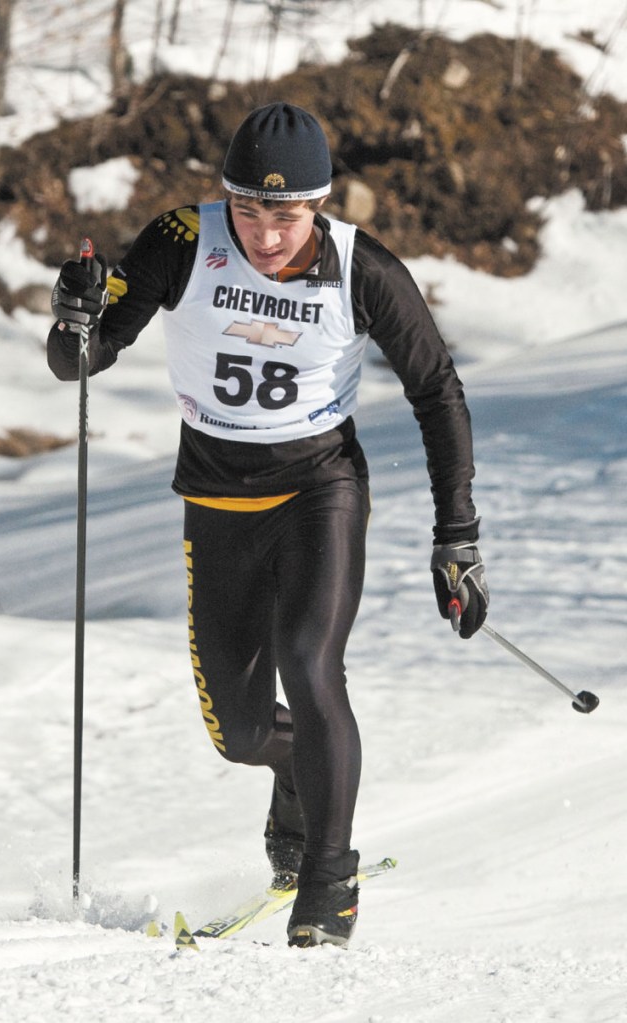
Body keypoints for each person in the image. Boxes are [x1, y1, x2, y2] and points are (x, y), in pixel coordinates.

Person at [47, 102, 489, 948]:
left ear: (317, 204)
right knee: (239, 732)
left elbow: (439, 391)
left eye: (284, 214)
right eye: (247, 209)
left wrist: (456, 535)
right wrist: (73, 318)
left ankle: (328, 879)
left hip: (318, 492)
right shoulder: (183, 239)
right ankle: (296, 771)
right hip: (215, 502)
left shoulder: (365, 270)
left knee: (310, 660)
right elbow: (84, 361)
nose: (265, 233)